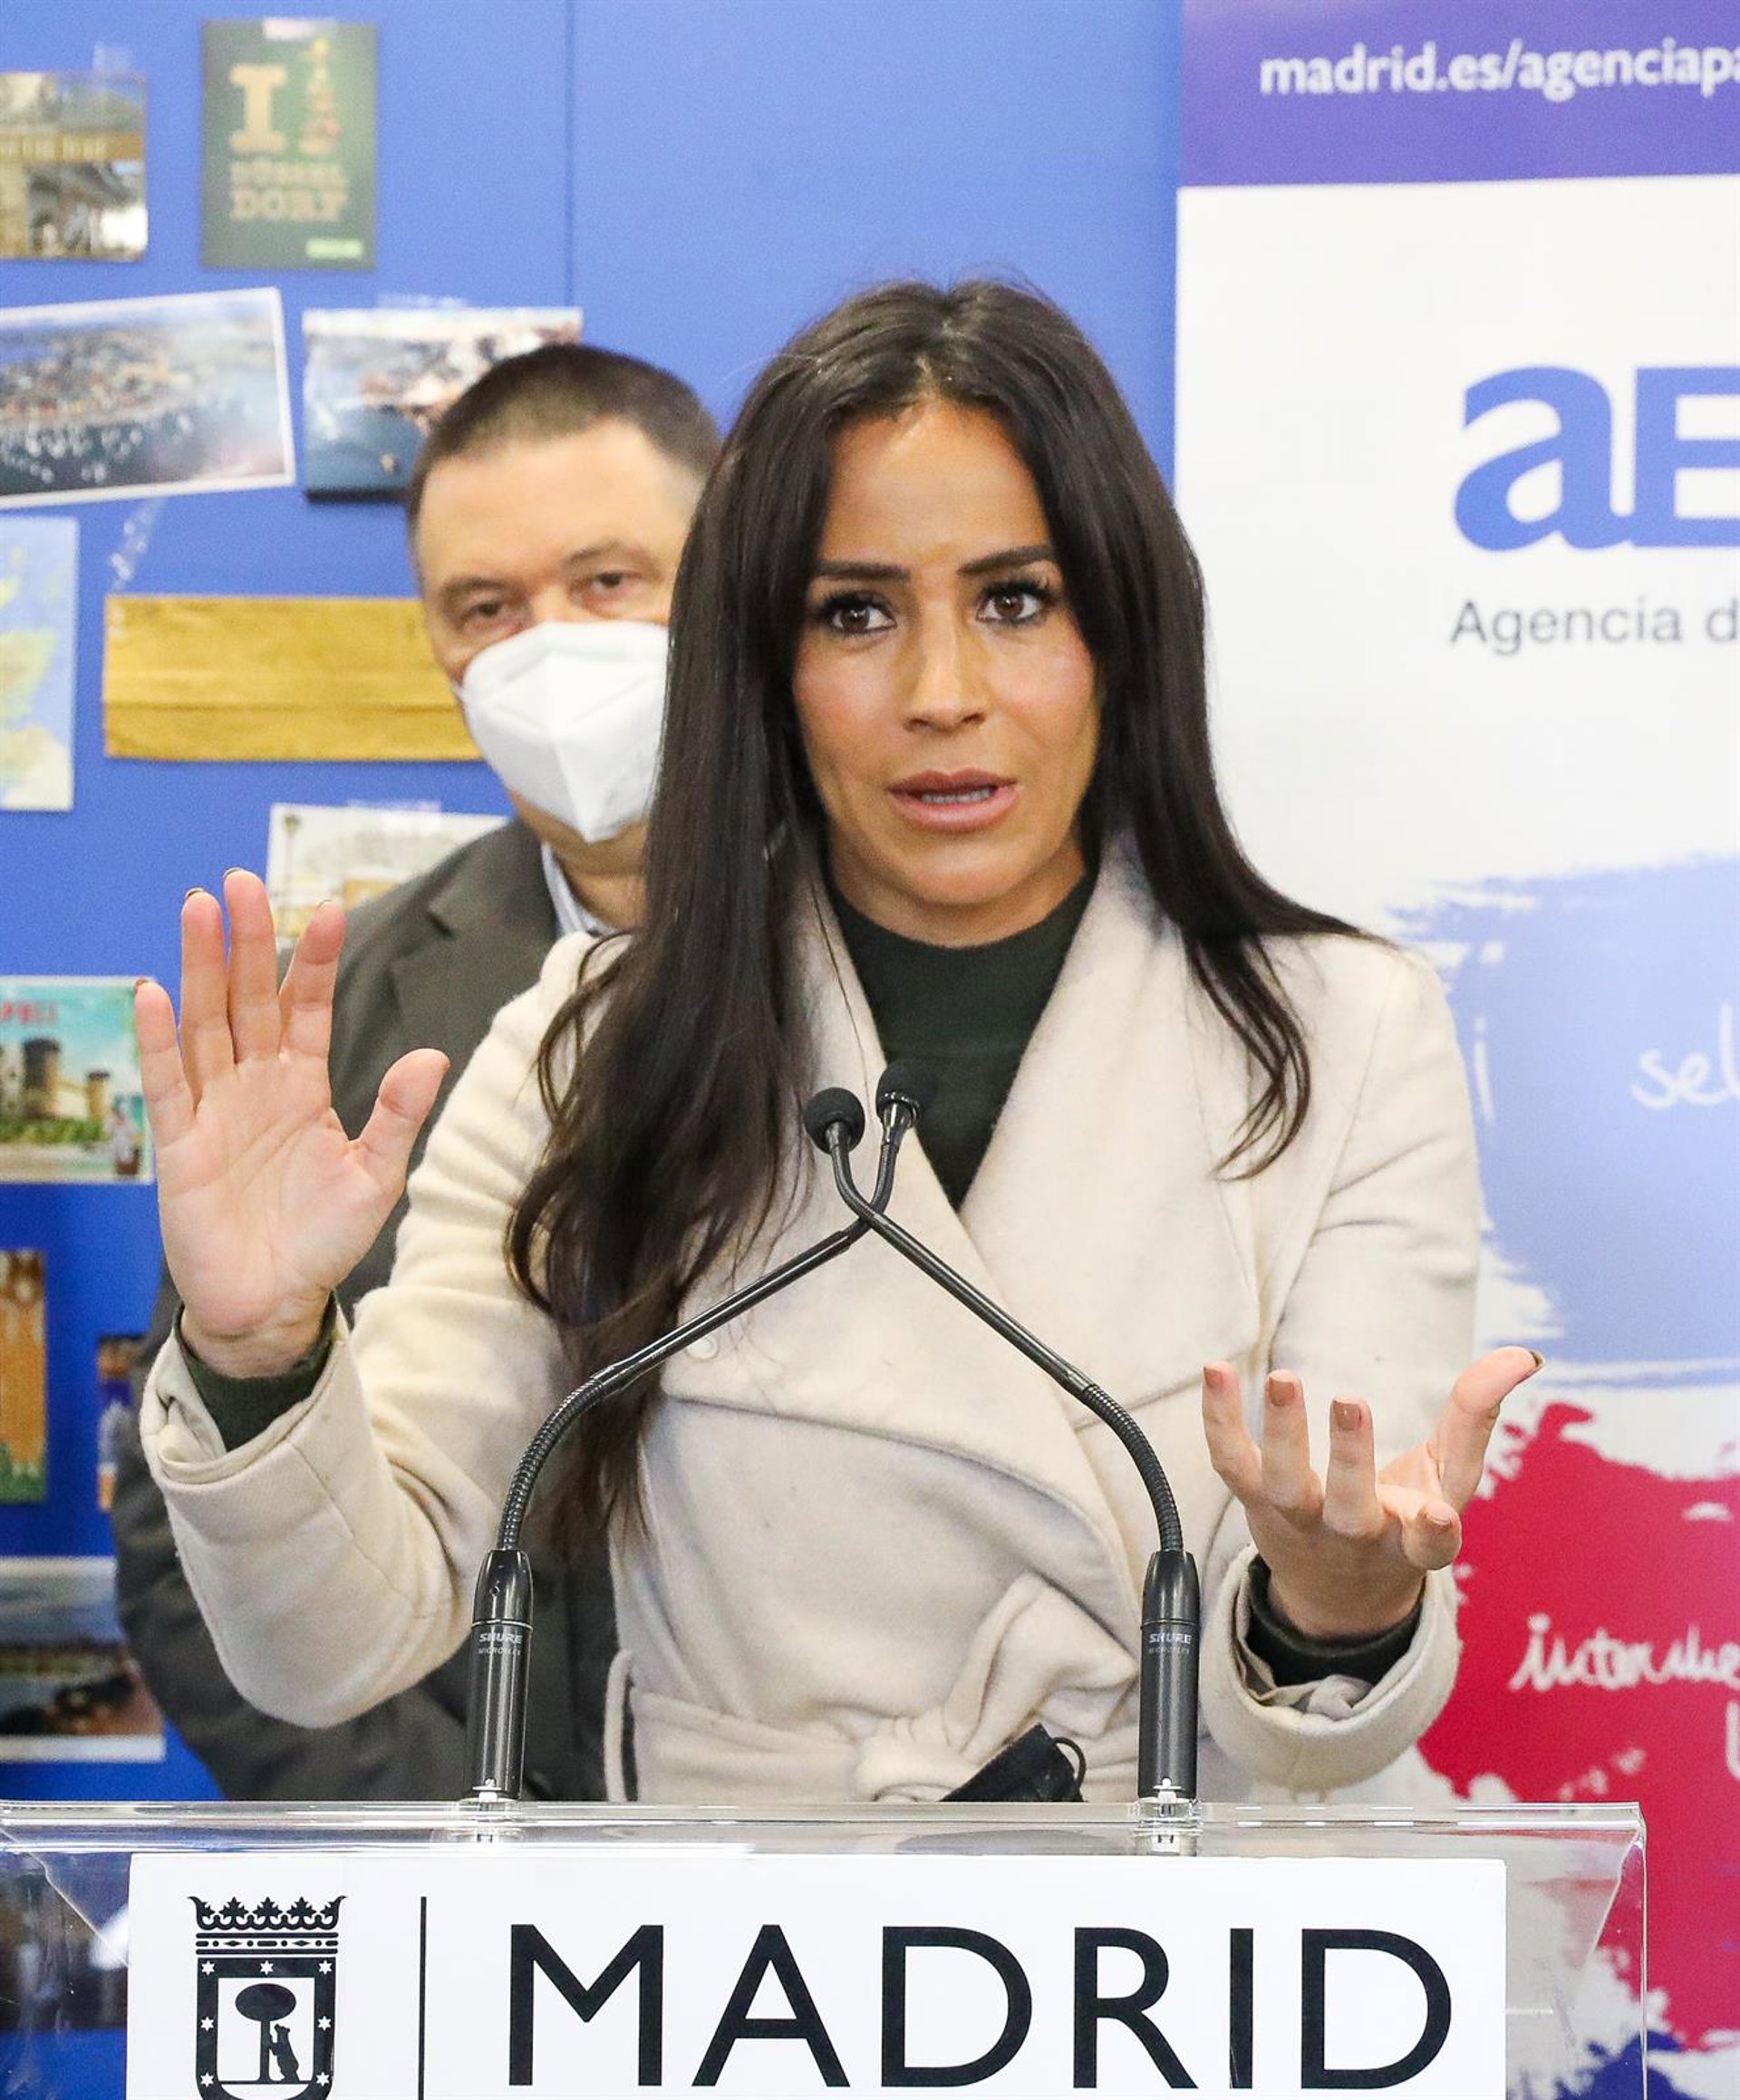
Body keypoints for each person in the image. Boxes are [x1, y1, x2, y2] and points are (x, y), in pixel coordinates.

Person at [133, 281, 1540, 1805]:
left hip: (1165, 1908)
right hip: (735, 1916)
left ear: (1122, 628)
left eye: (1017, 599)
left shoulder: (1342, 1035)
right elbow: (338, 1640)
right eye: (855, 613)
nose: (943, 696)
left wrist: (1336, 1606)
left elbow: (1318, 1723)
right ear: (762, 662)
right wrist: (259, 1354)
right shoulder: (590, 1046)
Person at [110, 343, 720, 1800]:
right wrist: (464, 1838)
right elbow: (196, 1530)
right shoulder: (342, 1013)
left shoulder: (902, 945)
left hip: (835, 1869)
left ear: (728, 585)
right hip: (468, 1873)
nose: (549, 647)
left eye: (608, 581)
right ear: (439, 645)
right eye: (486, 608)